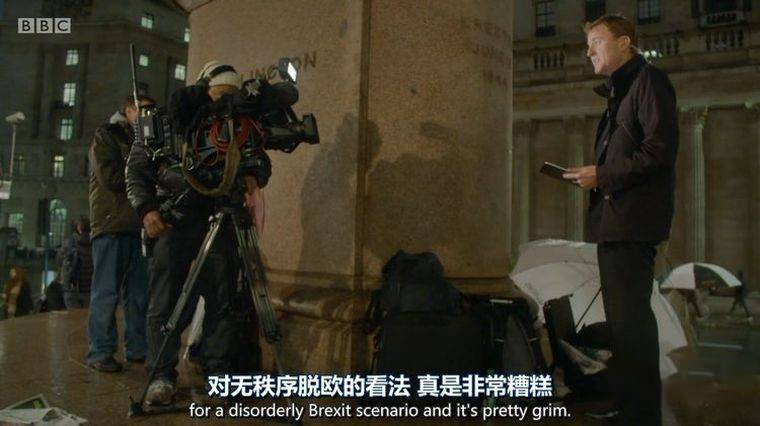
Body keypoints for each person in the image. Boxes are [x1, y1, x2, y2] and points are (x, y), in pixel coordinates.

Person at [126, 61, 269, 405]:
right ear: (203, 88)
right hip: (173, 220)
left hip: (220, 217)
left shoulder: (236, 122)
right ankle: (161, 376)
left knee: (222, 301)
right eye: (219, 94)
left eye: (231, 96)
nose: (224, 102)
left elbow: (260, 160)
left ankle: (218, 374)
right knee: (165, 301)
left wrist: (254, 173)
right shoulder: (161, 121)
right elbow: (137, 169)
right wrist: (146, 210)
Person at [563, 14, 678, 425]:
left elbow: (658, 151)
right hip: (616, 222)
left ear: (624, 42)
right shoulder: (621, 91)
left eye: (596, 42)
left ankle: (641, 415)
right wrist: (597, 175)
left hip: (632, 223)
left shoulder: (650, 81)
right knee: (622, 325)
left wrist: (601, 174)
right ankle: (630, 407)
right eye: (588, 44)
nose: (588, 51)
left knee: (632, 325)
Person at [86, 95, 154, 373]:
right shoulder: (106, 135)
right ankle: (100, 351)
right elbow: (110, 177)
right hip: (111, 225)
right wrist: (143, 171)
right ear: (128, 110)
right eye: (143, 110)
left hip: (139, 226)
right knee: (106, 292)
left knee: (138, 294)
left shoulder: (148, 140)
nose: (148, 115)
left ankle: (138, 348)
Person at [61, 217, 93, 309]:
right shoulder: (95, 243)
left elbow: (60, 260)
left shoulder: (71, 242)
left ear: (79, 228)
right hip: (89, 289)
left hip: (72, 289)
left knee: (73, 316)